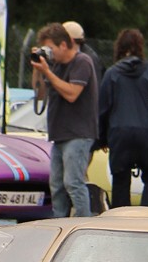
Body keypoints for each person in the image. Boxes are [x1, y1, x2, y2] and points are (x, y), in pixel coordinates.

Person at [31, 22, 99, 217]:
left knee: (73, 183)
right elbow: (41, 94)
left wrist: (48, 72)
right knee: (57, 185)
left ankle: (83, 225)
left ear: (64, 45)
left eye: (51, 48)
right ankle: (58, 223)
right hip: (60, 134)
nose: (50, 53)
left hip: (78, 133)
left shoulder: (82, 61)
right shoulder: (55, 65)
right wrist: (38, 68)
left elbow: (72, 94)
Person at [98, 28, 148, 208]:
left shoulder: (112, 74)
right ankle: (146, 218)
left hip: (119, 133)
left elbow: (103, 109)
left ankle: (121, 220)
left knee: (120, 180)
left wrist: (101, 138)